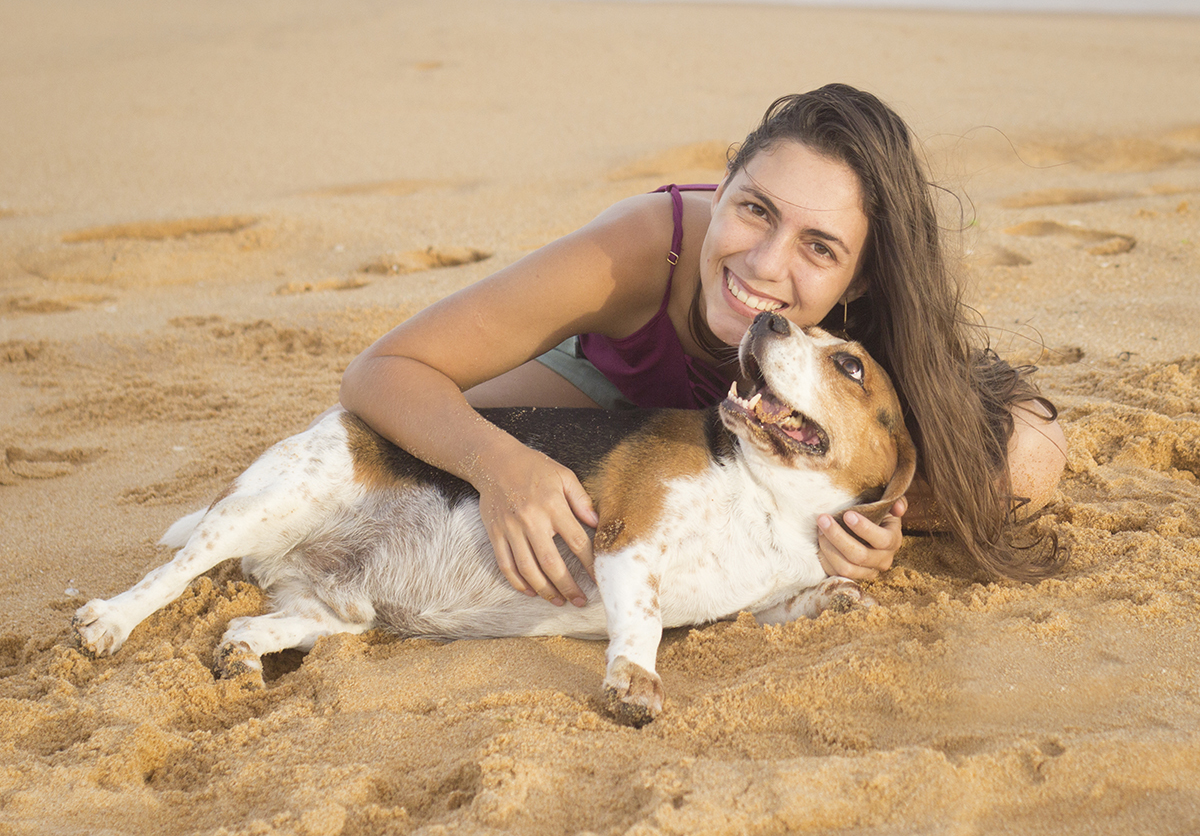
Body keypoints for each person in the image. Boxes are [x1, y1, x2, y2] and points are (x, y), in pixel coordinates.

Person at [340, 84, 1068, 610]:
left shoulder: (870, 334)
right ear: (720, 191)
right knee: (401, 431)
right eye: (755, 209)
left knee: (1023, 459)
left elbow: (1029, 446)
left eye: (819, 247)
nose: (764, 264)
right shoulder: (637, 248)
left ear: (862, 276)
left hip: (788, 440)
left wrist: (869, 521)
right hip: (609, 405)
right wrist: (500, 465)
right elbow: (382, 370)